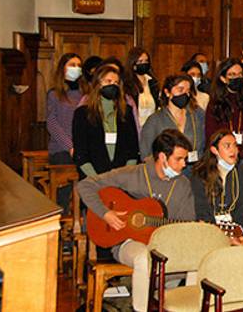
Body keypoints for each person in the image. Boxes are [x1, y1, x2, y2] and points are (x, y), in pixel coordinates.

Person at [78, 129, 195, 312]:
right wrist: (105, 213)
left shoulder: (183, 185)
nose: (184, 164)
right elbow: (85, 185)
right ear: (163, 157)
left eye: (185, 159)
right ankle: (140, 309)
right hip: (127, 241)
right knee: (143, 257)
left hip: (164, 244)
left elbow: (188, 223)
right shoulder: (133, 174)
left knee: (194, 254)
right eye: (179, 159)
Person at [72, 65, 139, 178]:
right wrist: (98, 180)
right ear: (97, 84)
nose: (113, 85)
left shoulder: (126, 112)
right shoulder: (82, 114)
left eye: (116, 82)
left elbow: (133, 151)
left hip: (122, 179)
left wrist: (124, 176)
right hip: (93, 179)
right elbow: (81, 154)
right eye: (108, 81)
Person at [192, 128, 243, 244]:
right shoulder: (200, 174)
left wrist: (241, 233)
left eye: (235, 145)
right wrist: (221, 236)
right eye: (227, 146)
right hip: (208, 233)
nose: (234, 150)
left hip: (237, 232)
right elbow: (201, 211)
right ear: (214, 150)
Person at [205, 59, 243, 180]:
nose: (237, 78)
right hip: (222, 161)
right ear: (223, 78)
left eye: (240, 74)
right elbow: (210, 137)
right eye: (232, 75)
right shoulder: (214, 105)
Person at [139, 75, 205, 172]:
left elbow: (203, 144)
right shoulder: (155, 120)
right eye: (180, 90)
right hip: (167, 172)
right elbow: (146, 154)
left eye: (188, 91)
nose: (185, 94)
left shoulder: (197, 115)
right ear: (167, 92)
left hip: (194, 170)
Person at [47, 53, 84, 165]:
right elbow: (52, 123)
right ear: (63, 68)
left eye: (79, 65)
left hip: (82, 147)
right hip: (61, 149)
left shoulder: (85, 94)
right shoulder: (54, 94)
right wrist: (70, 146)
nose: (76, 68)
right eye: (72, 65)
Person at [123, 47, 159, 126]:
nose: (144, 64)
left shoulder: (152, 82)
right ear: (133, 63)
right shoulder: (127, 84)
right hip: (134, 127)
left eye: (146, 61)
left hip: (151, 127)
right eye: (140, 61)